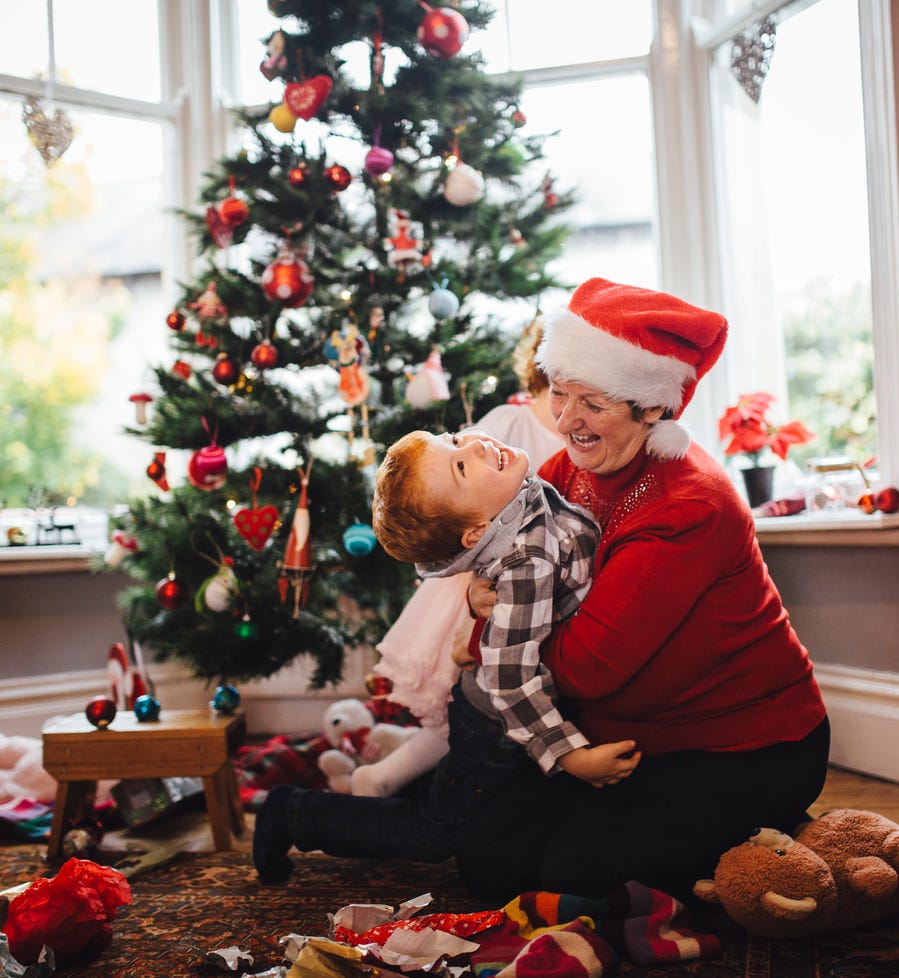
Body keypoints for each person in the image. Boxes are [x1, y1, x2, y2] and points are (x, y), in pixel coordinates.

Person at [450, 277, 829, 901]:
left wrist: (497, 628)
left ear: (651, 406)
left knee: (574, 875)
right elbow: (501, 575)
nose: (566, 419)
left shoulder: (688, 503)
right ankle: (722, 848)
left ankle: (775, 843)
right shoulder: (566, 468)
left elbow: (589, 667)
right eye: (560, 393)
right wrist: (481, 601)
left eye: (591, 402)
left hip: (746, 745)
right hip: (624, 741)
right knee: (486, 858)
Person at [252, 424, 638, 885]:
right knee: (436, 832)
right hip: (494, 726)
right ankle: (294, 812)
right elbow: (509, 680)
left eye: (454, 440)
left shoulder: (515, 494)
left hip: (509, 717)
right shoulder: (524, 565)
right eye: (460, 464)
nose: (475, 444)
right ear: (476, 530)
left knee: (469, 804)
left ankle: (409, 779)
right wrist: (569, 756)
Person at [351, 319, 566, 797]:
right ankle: (390, 777)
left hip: (537, 585)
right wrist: (471, 594)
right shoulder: (510, 427)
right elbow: (448, 500)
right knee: (463, 698)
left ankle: (403, 759)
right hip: (479, 584)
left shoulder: (587, 442)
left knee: (474, 706)